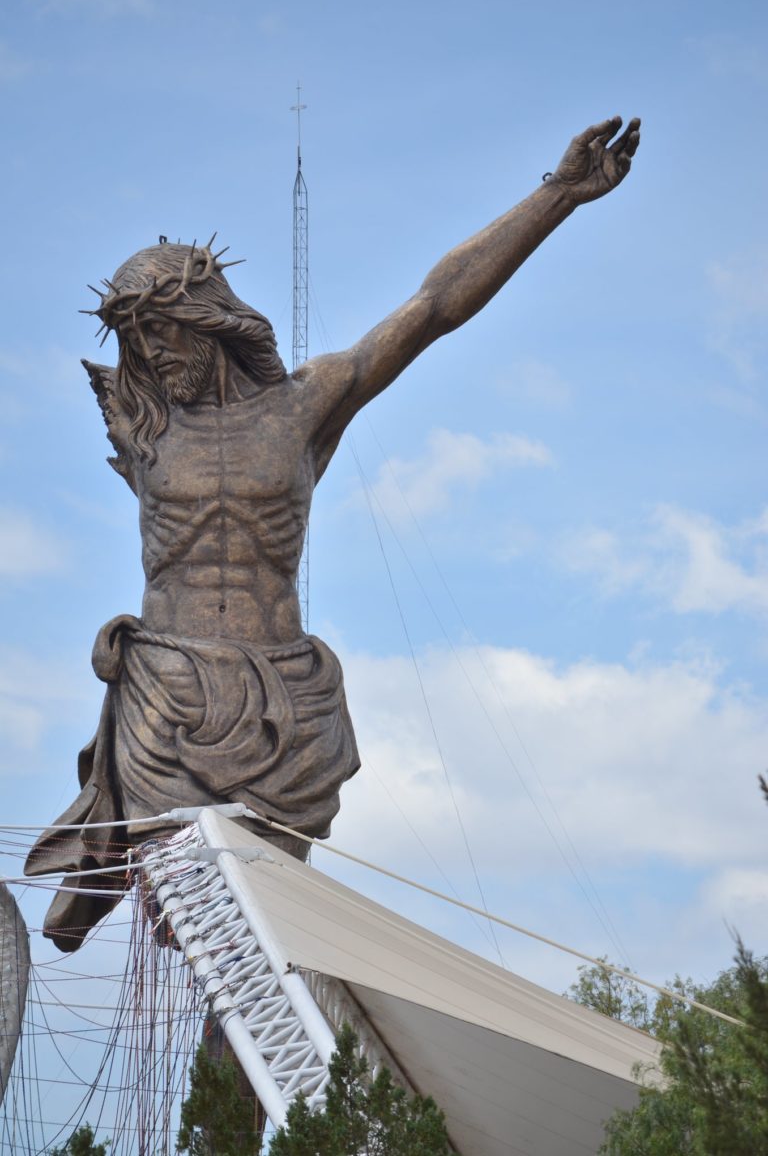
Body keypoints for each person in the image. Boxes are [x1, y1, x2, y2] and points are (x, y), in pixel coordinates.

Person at [26, 116, 640, 951]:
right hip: (165, 698)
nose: (151, 351)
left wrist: (557, 195)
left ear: (209, 320)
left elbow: (431, 310)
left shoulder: (301, 410)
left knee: (258, 932)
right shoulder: (148, 429)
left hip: (288, 702)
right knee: (196, 922)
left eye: (163, 331)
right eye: (136, 339)